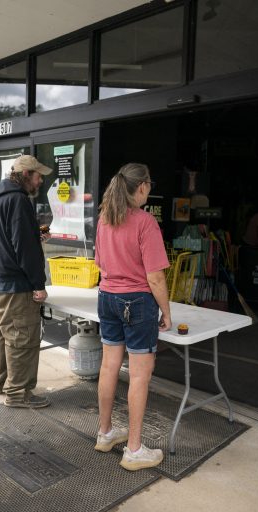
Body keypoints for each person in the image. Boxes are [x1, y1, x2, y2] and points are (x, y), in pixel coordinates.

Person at [94, 162, 172, 472]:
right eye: (149, 186)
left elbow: (100, 263)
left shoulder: (104, 219)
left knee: (109, 366)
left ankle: (105, 432)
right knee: (139, 375)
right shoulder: (145, 222)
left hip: (107, 297)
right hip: (138, 302)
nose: (149, 191)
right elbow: (155, 278)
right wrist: (166, 311)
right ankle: (135, 449)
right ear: (141, 187)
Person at [0, 154, 52, 408]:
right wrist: (38, 284)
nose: (41, 180)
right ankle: (18, 393)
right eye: (37, 175)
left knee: (5, 334)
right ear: (25, 175)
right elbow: (24, 248)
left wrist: (34, 236)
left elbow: (9, 240)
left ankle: (0, 382)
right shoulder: (18, 200)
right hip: (16, 283)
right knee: (22, 338)